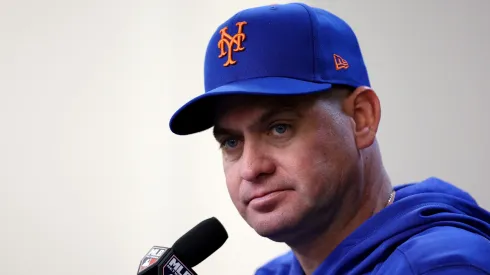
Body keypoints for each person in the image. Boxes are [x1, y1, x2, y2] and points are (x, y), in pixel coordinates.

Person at [168, 3, 490, 275]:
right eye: (231, 143)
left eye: (279, 128)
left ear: (362, 119)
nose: (252, 168)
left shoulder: (443, 265)